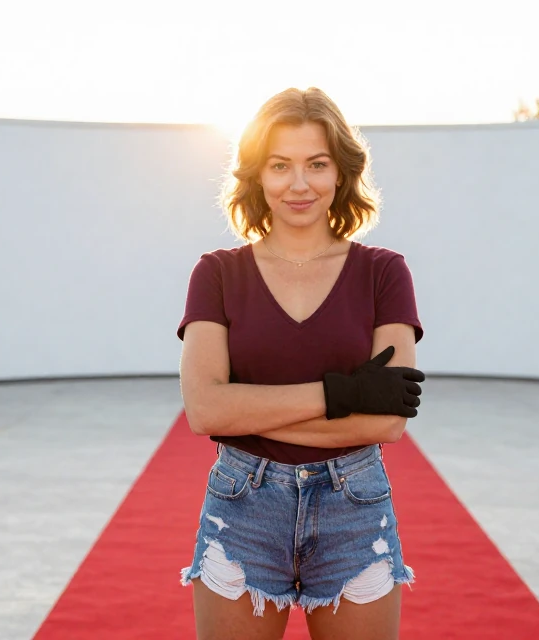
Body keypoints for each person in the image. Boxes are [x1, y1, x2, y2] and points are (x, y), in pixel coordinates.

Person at [176, 87, 425, 640]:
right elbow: (205, 410)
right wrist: (342, 394)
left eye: (317, 164)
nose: (299, 184)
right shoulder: (217, 273)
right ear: (257, 175)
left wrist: (247, 411)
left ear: (341, 172)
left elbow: (387, 420)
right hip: (241, 506)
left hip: (354, 505)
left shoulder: (384, 272)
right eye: (279, 165)